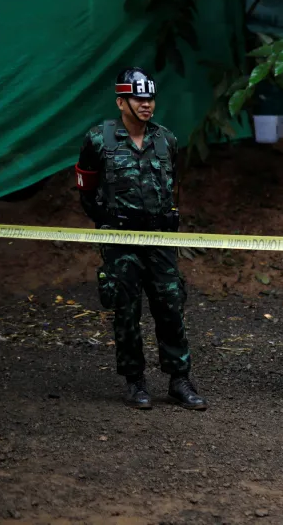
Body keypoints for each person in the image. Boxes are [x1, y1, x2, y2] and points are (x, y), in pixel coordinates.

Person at [74, 67, 206, 411]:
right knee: (126, 309)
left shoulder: (166, 139)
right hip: (120, 240)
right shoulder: (99, 139)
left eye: (150, 98)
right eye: (138, 98)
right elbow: (86, 191)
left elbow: (173, 183)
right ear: (121, 102)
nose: (146, 105)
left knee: (171, 305)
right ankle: (135, 382)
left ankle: (179, 380)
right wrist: (107, 222)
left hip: (160, 238)